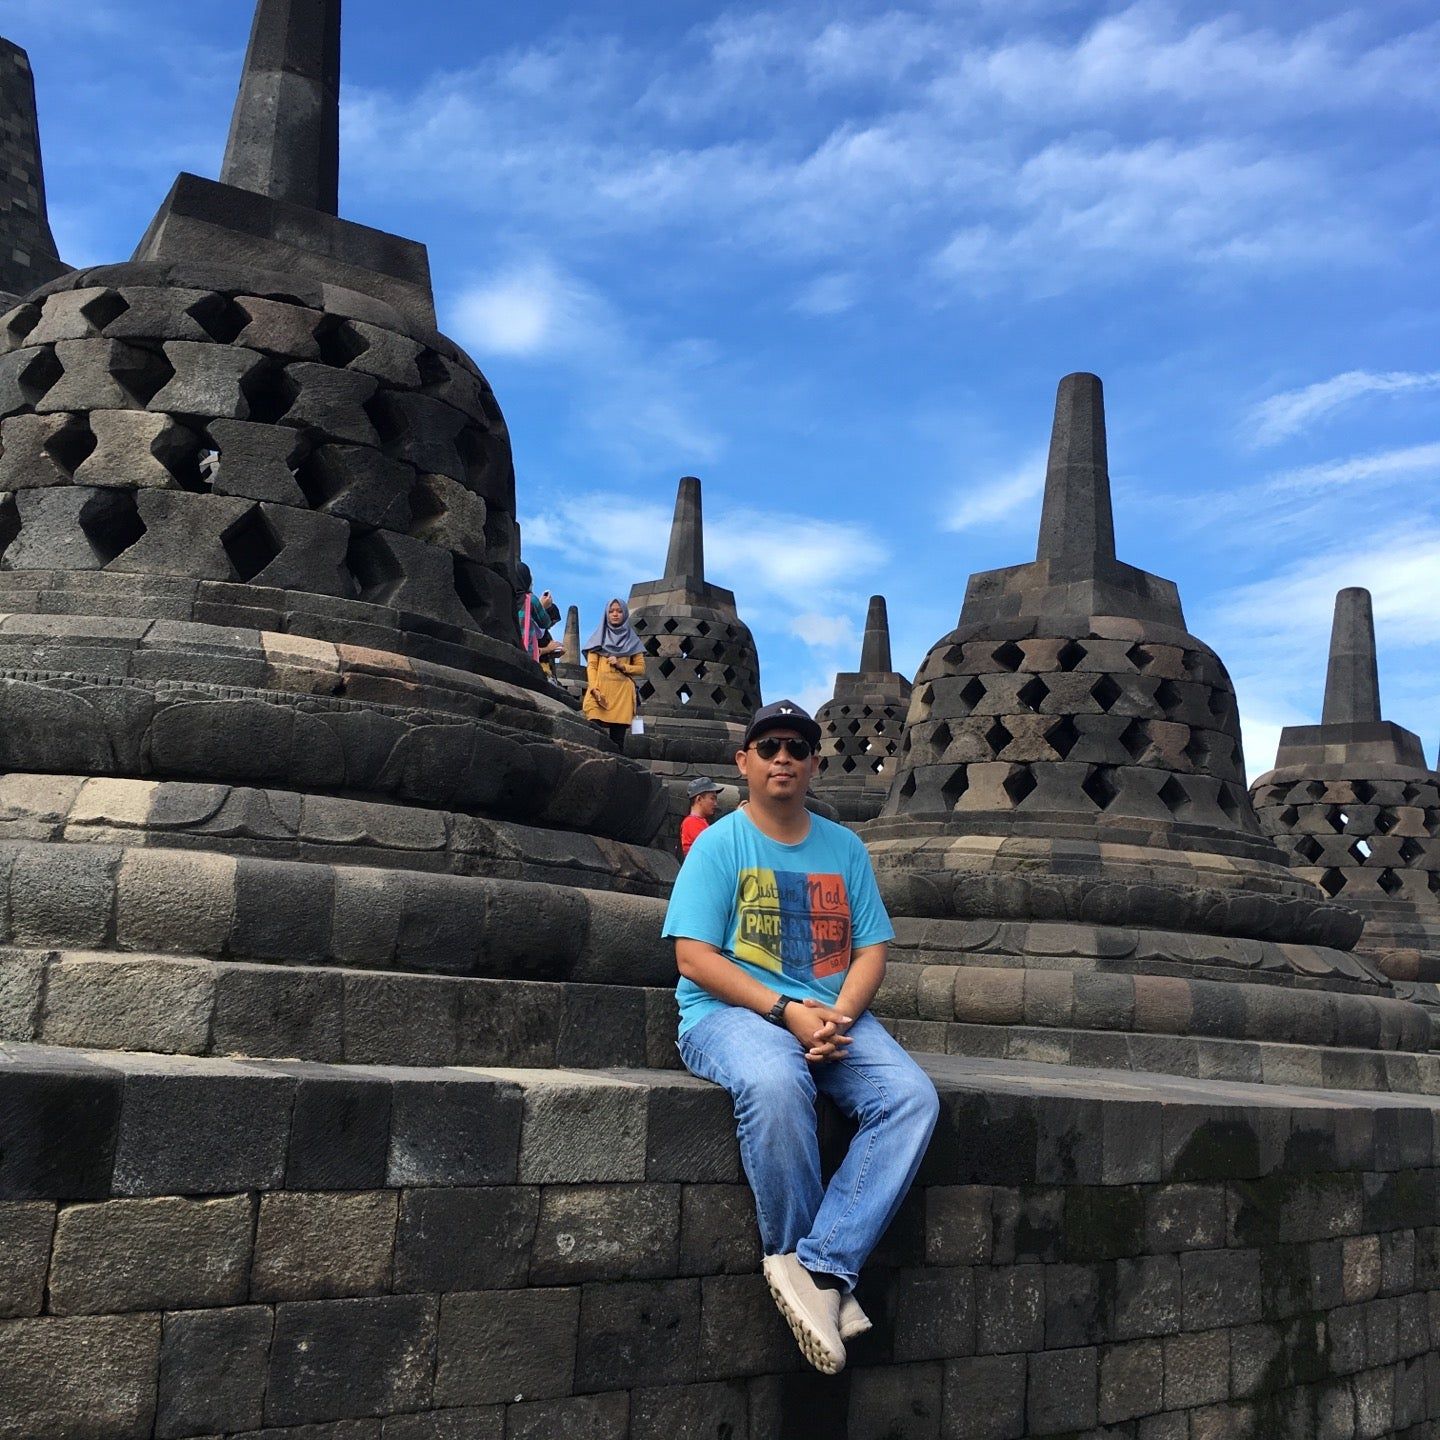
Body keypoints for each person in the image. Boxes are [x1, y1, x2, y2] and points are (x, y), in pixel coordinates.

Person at [662, 699, 939, 1375]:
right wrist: (787, 1010)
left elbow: (871, 951)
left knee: (911, 1098)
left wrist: (839, 1015)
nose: (782, 756)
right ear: (744, 763)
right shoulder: (721, 843)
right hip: (731, 1014)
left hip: (831, 1014)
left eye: (796, 746)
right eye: (768, 747)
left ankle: (816, 1268)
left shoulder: (844, 848)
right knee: (776, 1081)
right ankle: (816, 1281)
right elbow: (693, 957)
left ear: (814, 763)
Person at [581, 598, 646, 751]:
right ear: (606, 614)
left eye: (619, 611)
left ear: (625, 614)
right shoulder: (597, 639)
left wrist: (621, 665)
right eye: (611, 611)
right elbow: (592, 666)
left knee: (617, 741)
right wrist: (594, 687)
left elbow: (640, 669)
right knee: (592, 732)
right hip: (599, 691)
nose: (615, 614)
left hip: (622, 694)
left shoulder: (632, 641)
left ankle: (616, 770)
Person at [680, 777, 720, 859]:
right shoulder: (691, 822)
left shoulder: (699, 821)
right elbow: (714, 847)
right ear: (699, 799)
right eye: (712, 798)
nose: (715, 804)